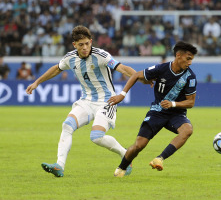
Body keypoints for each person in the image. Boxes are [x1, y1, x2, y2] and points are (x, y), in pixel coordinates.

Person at [26, 25, 142, 177]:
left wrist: (142, 77)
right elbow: (56, 69)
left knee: (96, 137)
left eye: (87, 43)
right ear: (74, 45)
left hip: (107, 101)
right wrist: (37, 82)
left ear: (91, 41)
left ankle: (126, 155)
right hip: (86, 101)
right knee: (67, 125)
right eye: (81, 45)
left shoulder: (101, 55)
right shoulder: (70, 58)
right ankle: (59, 166)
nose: (85, 47)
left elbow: (123, 69)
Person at [107, 41, 198, 177]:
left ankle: (159, 159)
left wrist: (173, 104)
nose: (190, 63)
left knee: (187, 130)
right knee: (139, 145)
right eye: (188, 58)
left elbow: (191, 102)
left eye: (192, 59)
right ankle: (122, 168)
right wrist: (122, 95)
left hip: (176, 114)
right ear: (178, 55)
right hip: (157, 112)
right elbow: (136, 75)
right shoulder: (161, 69)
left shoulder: (190, 77)